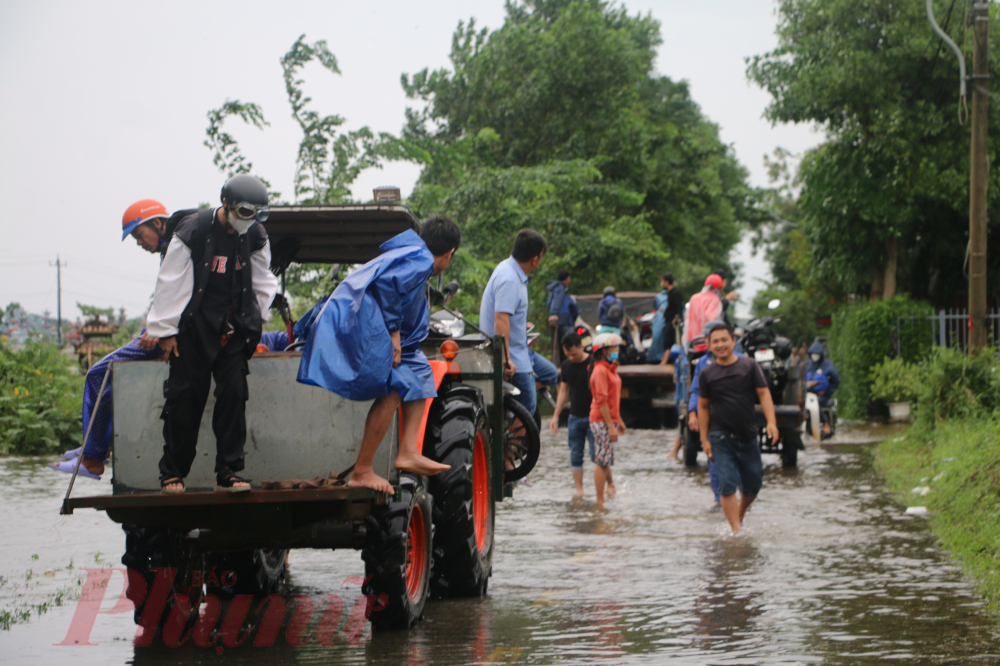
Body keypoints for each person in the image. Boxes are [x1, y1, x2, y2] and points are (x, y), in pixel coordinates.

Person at [297, 216, 462, 493]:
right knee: (395, 386)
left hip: (366, 320)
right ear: (449, 254)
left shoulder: (412, 253)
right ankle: (362, 470)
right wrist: (394, 333)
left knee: (420, 373)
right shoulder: (422, 260)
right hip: (362, 322)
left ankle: (408, 450)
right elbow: (387, 286)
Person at [49, 199, 197, 480]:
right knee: (102, 373)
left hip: (171, 332)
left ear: (157, 223)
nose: (139, 243)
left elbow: (186, 294)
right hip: (168, 328)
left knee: (97, 374)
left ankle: (93, 457)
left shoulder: (175, 246)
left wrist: (161, 330)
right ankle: (93, 449)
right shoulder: (175, 247)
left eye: (139, 235)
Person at [149, 175, 279, 494]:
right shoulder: (194, 230)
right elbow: (170, 281)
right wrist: (166, 330)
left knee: (234, 395)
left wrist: (257, 322)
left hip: (233, 332)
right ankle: (173, 473)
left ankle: (229, 470)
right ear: (227, 205)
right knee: (185, 399)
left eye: (258, 214)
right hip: (194, 329)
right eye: (246, 212)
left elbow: (263, 283)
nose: (251, 220)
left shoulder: (257, 236)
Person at [698, 322, 778, 533]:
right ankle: (736, 531)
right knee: (726, 484)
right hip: (720, 438)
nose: (720, 344)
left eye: (724, 339)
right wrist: (704, 440)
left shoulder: (749, 366)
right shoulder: (706, 373)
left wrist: (771, 422)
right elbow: (703, 406)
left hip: (748, 436)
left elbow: (763, 393)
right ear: (709, 345)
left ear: (734, 341)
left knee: (753, 484)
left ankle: (739, 514)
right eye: (715, 341)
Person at [480, 229, 547, 416]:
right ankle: (513, 446)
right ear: (536, 258)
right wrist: (505, 359)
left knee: (546, 375)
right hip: (513, 357)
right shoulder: (509, 278)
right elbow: (500, 320)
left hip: (519, 352)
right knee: (525, 408)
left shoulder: (508, 270)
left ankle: (514, 443)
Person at [549, 331, 595, 496]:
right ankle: (579, 492)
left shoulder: (593, 363)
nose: (572, 357)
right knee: (575, 455)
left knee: (597, 455)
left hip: (594, 416)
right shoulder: (567, 366)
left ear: (581, 347)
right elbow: (563, 391)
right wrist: (556, 416)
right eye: (568, 354)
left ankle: (608, 484)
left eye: (574, 354)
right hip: (574, 417)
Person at [589, 333, 626, 506]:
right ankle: (599, 500)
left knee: (605, 459)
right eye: (613, 348)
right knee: (602, 461)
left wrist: (618, 421)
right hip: (601, 420)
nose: (616, 351)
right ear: (603, 351)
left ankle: (606, 491)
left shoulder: (608, 369)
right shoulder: (600, 371)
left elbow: (612, 400)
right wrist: (610, 426)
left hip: (607, 419)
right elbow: (602, 400)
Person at [805, 340, 840, 436]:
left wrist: (826, 391)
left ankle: (825, 425)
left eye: (816, 353)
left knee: (815, 404)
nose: (814, 355)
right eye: (813, 353)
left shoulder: (828, 366)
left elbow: (833, 379)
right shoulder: (808, 366)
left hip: (822, 395)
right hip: (807, 395)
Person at [648, 273, 683, 365]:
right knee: (667, 341)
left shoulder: (675, 293)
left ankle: (664, 361)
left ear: (666, 282)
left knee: (669, 341)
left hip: (672, 322)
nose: (661, 283)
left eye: (662, 281)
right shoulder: (670, 293)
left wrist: (676, 318)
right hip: (668, 320)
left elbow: (679, 308)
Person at [546, 269, 577, 362]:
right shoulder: (561, 288)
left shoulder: (553, 288)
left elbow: (548, 304)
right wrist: (554, 313)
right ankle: (568, 363)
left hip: (559, 319)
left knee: (561, 344)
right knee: (569, 342)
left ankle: (564, 363)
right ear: (567, 278)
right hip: (563, 319)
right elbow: (558, 301)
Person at [685, 274, 724, 343]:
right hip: (705, 340)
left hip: (691, 339)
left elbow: (687, 319)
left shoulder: (694, 297)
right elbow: (711, 318)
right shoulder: (715, 299)